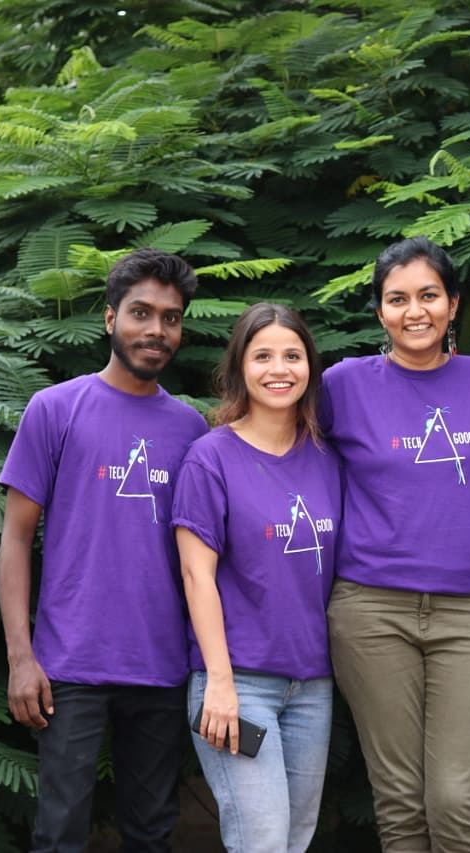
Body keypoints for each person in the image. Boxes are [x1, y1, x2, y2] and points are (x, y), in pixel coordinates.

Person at [322, 236, 470, 852]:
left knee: (455, 795)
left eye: (428, 295)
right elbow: (277, 443)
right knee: (398, 799)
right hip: (370, 610)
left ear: (452, 303)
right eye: (397, 298)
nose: (414, 310)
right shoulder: (341, 386)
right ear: (379, 311)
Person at [0, 248, 207, 852]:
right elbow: (14, 539)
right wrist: (21, 658)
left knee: (151, 834)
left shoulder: (192, 429)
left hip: (164, 666)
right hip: (69, 665)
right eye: (141, 312)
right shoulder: (56, 409)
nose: (156, 329)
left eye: (170, 317)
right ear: (110, 318)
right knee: (59, 834)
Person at [172, 303, 342, 852]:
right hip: (237, 683)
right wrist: (219, 683)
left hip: (312, 684)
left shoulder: (327, 458)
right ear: (240, 367)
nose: (279, 369)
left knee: (294, 838)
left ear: (310, 368)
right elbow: (197, 578)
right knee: (261, 840)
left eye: (293, 356)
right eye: (263, 355)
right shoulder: (209, 459)